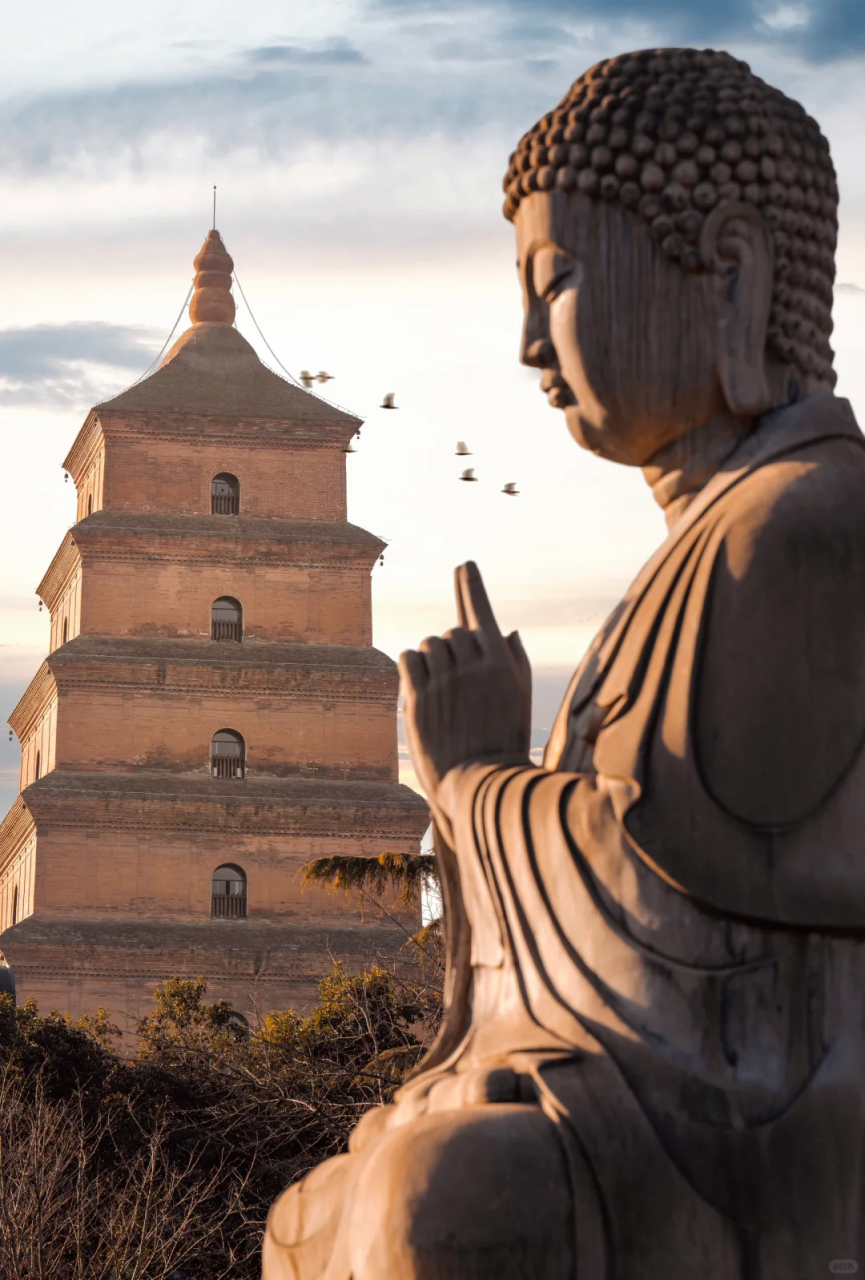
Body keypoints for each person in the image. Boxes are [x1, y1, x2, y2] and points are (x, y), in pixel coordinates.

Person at [263, 47, 865, 1279]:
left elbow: (673, 900)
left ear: (733, 275)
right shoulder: (697, 546)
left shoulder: (799, 527)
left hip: (775, 1115)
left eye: (563, 280)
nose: (531, 342)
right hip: (655, 1084)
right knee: (313, 1203)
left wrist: (471, 772)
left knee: (452, 1193)